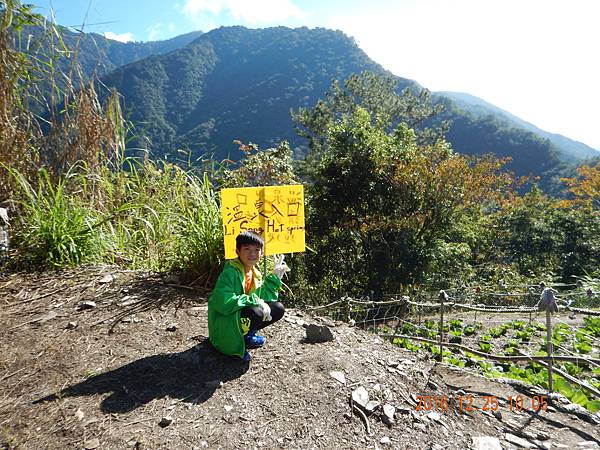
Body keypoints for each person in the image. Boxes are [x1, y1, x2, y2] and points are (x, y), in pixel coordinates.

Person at [208, 231, 290, 362]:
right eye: (247, 249)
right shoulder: (230, 273)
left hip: (240, 315)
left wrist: (274, 280)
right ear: (237, 251)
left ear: (261, 253)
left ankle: (247, 335)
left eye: (256, 250)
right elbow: (223, 303)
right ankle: (231, 344)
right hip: (226, 322)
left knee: (278, 308)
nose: (252, 254)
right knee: (256, 312)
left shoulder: (254, 273)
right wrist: (254, 300)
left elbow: (262, 297)